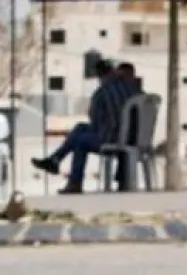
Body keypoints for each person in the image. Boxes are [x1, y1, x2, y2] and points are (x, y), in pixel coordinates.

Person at [31, 60, 138, 193]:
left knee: (81, 141)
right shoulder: (135, 91)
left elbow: (96, 123)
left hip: (114, 139)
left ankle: (74, 182)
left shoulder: (102, 93)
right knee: (80, 127)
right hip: (134, 137)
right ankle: (55, 159)